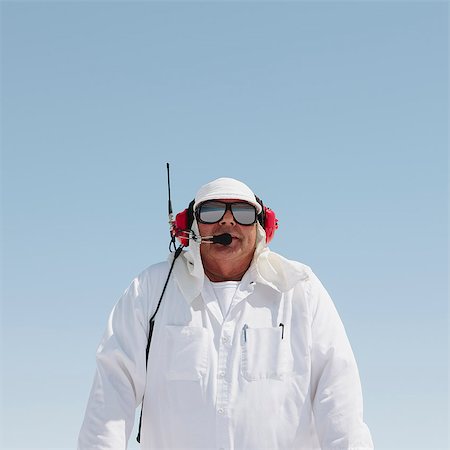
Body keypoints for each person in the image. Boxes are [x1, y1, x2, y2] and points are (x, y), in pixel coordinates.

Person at [78, 177, 374, 450]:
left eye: (243, 213)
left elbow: (338, 396)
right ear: (190, 226)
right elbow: (111, 396)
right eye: (212, 211)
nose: (228, 220)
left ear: (261, 226)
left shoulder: (300, 290)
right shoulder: (150, 291)